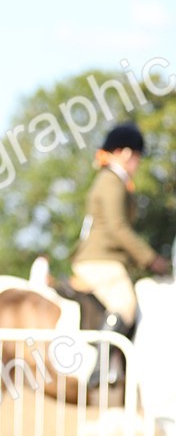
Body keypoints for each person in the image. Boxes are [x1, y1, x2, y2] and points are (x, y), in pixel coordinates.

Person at [71, 122, 170, 385]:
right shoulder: (112, 180)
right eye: (137, 156)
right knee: (125, 305)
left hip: (106, 257)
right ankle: (99, 369)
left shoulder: (113, 179)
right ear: (125, 153)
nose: (138, 163)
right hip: (100, 258)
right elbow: (117, 227)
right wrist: (151, 259)